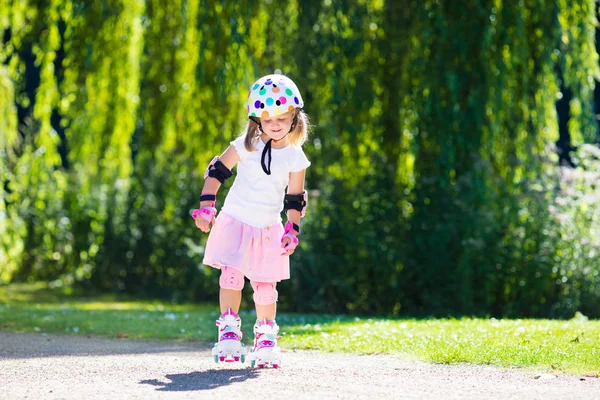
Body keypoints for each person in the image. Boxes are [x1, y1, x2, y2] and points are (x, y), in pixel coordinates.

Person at [192, 74, 310, 368]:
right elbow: (218, 171)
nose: (275, 123)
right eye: (268, 117)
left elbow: (294, 199)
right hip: (236, 219)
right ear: (257, 118)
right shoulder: (245, 145)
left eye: (282, 117)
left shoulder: (296, 157)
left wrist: (291, 229)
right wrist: (207, 206)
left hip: (269, 227)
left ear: (294, 116)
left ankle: (266, 336)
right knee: (231, 275)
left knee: (266, 285)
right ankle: (229, 331)